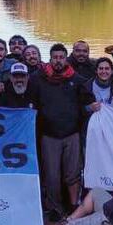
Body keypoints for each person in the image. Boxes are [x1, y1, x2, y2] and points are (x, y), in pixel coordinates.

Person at [36, 43, 91, 214]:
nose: (58, 61)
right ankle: (54, 208)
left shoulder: (77, 79)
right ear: (50, 59)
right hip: (49, 134)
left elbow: (87, 102)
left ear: (66, 59)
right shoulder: (37, 78)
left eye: (61, 57)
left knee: (73, 173)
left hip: (71, 133)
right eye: (55, 58)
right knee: (52, 176)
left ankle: (74, 206)